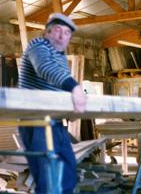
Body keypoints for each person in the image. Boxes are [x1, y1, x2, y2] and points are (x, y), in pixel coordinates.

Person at [18, 12, 87, 194]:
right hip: (36, 122)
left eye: (66, 33)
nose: (61, 36)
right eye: (57, 30)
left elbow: (59, 89)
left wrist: (70, 111)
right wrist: (75, 87)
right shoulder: (38, 46)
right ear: (47, 32)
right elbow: (44, 69)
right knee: (48, 179)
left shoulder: (61, 58)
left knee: (68, 172)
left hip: (55, 122)